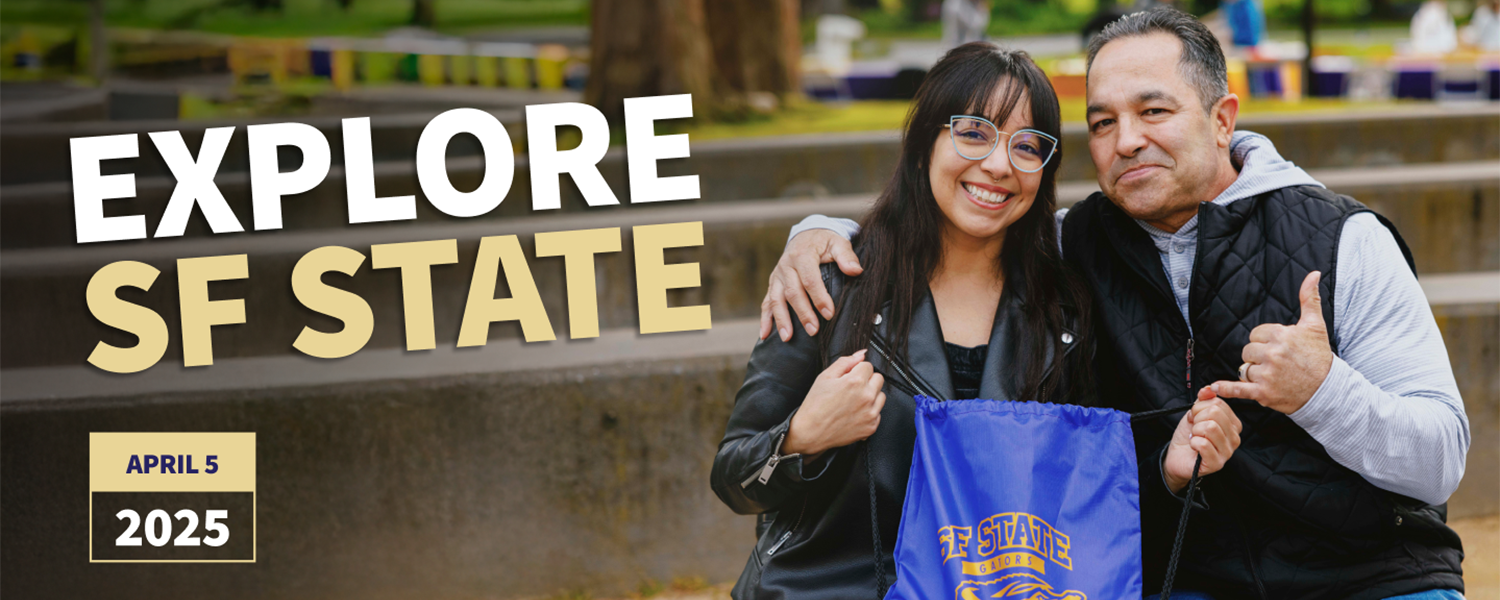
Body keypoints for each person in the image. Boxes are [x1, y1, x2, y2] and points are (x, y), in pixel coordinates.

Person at [763, 8, 1470, 600]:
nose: (1126, 140)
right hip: (1184, 575)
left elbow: (1438, 461)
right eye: (1102, 123)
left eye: (1153, 111)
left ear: (1223, 119)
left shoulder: (1344, 239)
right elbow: (950, 224)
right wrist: (817, 235)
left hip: (1374, 576)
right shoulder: (1074, 246)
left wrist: (1323, 392)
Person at [710, 41, 1243, 600]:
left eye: (1027, 145)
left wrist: (1171, 471)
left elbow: (1086, 494)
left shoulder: (1067, 310)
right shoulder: (830, 284)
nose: (997, 165)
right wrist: (801, 440)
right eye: (973, 133)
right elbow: (735, 481)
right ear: (924, 146)